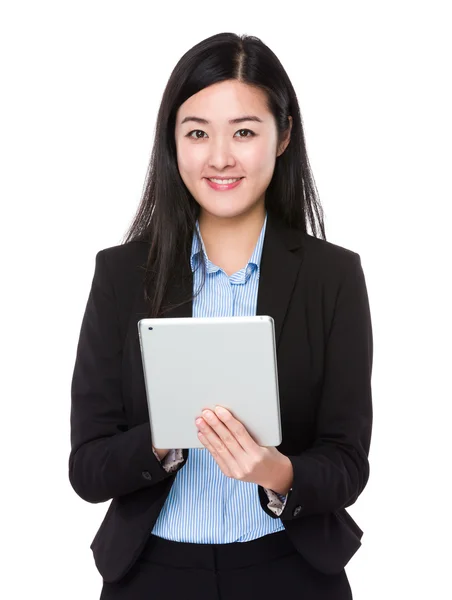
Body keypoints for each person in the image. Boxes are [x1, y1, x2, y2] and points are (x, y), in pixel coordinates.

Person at [69, 32, 373, 600]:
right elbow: (87, 468)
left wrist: (275, 472)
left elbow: (347, 462)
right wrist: (163, 440)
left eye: (244, 131)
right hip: (152, 576)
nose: (219, 157)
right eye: (198, 133)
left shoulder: (333, 277)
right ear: (173, 142)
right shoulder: (120, 275)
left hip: (292, 572)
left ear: (283, 136)